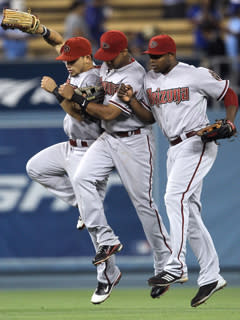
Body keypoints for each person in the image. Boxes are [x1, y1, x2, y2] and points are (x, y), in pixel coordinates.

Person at [57, 29, 188, 301]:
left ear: (124, 51)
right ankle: (106, 240)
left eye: (110, 54)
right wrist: (47, 34)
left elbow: (110, 112)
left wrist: (78, 98)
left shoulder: (134, 75)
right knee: (81, 178)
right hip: (108, 137)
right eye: (102, 54)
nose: (105, 59)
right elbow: (71, 53)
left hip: (135, 141)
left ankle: (168, 266)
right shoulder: (105, 66)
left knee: (144, 205)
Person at [117, 34, 238, 307]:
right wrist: (132, 100)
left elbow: (229, 94)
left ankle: (176, 265)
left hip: (197, 141)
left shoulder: (195, 75)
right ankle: (211, 276)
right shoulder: (150, 79)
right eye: (150, 56)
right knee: (190, 212)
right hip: (173, 147)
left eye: (157, 56)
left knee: (174, 198)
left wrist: (229, 122)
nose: (152, 60)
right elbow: (150, 117)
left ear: (172, 54)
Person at [22, 22, 121, 304]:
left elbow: (81, 115)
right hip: (70, 147)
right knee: (35, 167)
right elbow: (59, 42)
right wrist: (41, 30)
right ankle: (79, 201)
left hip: (92, 151)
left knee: (93, 225)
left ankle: (107, 275)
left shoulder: (93, 78)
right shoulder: (77, 65)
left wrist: (55, 92)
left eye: (71, 60)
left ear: (88, 58)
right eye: (65, 60)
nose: (66, 63)